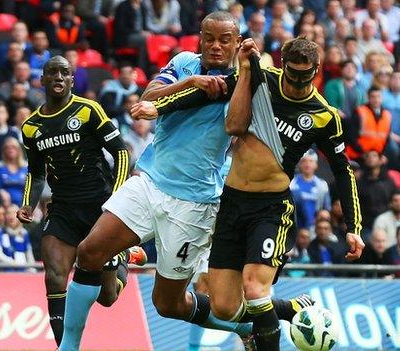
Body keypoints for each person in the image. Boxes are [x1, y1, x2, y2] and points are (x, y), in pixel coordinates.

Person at [60, 13, 312, 351]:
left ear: (237, 43)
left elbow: (240, 132)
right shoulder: (183, 63)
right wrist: (190, 83)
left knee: (168, 304)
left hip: (193, 205)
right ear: (200, 38)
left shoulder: (245, 86)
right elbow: (150, 95)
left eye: (225, 39)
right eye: (210, 38)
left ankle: (255, 321)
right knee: (88, 252)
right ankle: (68, 347)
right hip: (149, 183)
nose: (216, 45)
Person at [130, 35, 364, 350]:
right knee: (225, 307)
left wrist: (354, 228)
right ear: (283, 65)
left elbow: (342, 170)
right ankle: (289, 309)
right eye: (292, 74)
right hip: (233, 202)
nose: (296, 83)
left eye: (304, 77)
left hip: (271, 209)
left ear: (317, 70)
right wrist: (157, 106)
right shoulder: (260, 79)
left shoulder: (324, 115)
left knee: (254, 290)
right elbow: (211, 92)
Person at [16, 56, 135, 348]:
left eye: (64, 73)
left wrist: (116, 199)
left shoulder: (88, 110)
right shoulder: (31, 127)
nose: (58, 77)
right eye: (52, 72)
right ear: (42, 80)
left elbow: (121, 153)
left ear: (72, 80)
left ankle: (126, 258)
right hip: (63, 210)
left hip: (99, 207)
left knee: (107, 298)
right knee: (55, 277)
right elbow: (35, 171)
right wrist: (28, 204)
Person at [290, 151, 331, 233]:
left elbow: (326, 209)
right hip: (294, 227)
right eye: (304, 161)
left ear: (316, 165)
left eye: (310, 161)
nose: (307, 164)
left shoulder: (322, 185)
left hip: (315, 229)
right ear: (300, 164)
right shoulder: (291, 184)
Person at [0, 204, 35, 269]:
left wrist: (32, 269)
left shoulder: (24, 233)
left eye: (15, 213)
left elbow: (29, 255)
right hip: (4, 271)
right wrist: (13, 263)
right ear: (5, 216)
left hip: (23, 272)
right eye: (8, 213)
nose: (11, 217)